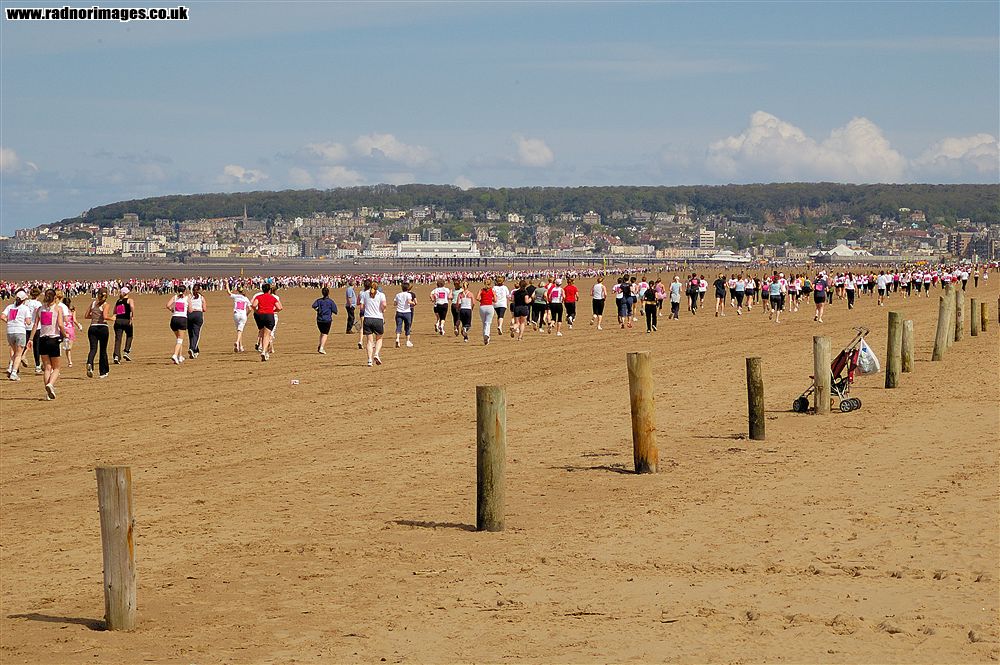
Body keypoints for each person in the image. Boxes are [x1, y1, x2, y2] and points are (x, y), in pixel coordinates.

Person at [29, 288, 66, 400]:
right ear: (55, 297)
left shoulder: (40, 309)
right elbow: (60, 324)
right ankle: (50, 384)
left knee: (47, 367)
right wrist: (65, 335)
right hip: (53, 339)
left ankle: (48, 392)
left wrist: (30, 339)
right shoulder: (58, 308)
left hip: (42, 340)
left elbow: (35, 325)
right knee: (57, 368)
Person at [85, 288, 114, 378]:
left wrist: (94, 317)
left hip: (92, 327)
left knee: (93, 348)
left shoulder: (93, 303)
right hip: (102, 328)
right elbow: (105, 316)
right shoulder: (106, 305)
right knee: (103, 350)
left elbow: (86, 316)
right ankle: (103, 372)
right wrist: (112, 318)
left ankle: (90, 363)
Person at [2, 290, 30, 381]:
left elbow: (2, 316)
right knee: (18, 354)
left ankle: (11, 367)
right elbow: (28, 321)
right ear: (23, 300)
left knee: (15, 352)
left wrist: (9, 321)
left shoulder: (10, 307)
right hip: (20, 331)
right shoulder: (25, 308)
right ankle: (14, 373)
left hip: (10, 331)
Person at [251, 283, 282, 362]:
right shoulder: (272, 297)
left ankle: (262, 349)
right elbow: (280, 307)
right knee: (267, 334)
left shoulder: (259, 297)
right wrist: (273, 310)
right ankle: (264, 351)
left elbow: (253, 305)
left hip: (259, 316)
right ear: (269, 290)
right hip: (269, 315)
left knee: (261, 332)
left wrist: (256, 311)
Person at [359, 280, 387, 366]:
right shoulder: (381, 295)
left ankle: (369, 360)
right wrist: (382, 309)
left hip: (367, 318)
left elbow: (361, 307)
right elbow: (384, 305)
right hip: (378, 318)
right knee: (379, 339)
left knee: (369, 341)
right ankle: (376, 354)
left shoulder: (364, 294)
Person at [167, 286, 191, 364]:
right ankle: (175, 355)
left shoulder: (175, 297)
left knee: (178, 339)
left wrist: (172, 310)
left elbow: (168, 305)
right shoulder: (187, 298)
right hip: (182, 319)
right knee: (180, 340)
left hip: (174, 319)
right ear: (185, 291)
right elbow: (190, 310)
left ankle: (180, 356)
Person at [312, 286, 339, 354]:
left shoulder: (319, 301)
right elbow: (335, 311)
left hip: (319, 320)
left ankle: (320, 345)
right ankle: (321, 348)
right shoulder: (330, 301)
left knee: (322, 333)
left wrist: (318, 310)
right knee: (325, 334)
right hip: (327, 320)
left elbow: (314, 306)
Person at [226, 283, 251, 352]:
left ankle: (240, 346)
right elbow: (250, 308)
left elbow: (228, 292)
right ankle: (237, 342)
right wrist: (247, 314)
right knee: (240, 331)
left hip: (236, 315)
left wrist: (226, 284)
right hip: (243, 315)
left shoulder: (236, 296)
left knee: (239, 331)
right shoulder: (246, 299)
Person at [24, 287, 43, 374]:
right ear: (38, 295)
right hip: (36, 327)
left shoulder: (27, 302)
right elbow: (39, 314)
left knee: (24, 345)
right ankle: (37, 366)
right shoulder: (38, 303)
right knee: (36, 347)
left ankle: (15, 364)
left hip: (26, 326)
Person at [61, 297, 83, 367]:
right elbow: (74, 320)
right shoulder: (72, 310)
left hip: (62, 328)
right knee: (69, 348)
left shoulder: (61, 309)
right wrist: (79, 326)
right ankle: (70, 361)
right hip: (70, 329)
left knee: (62, 346)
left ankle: (64, 360)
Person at [187, 283, 207, 359]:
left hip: (189, 314)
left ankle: (195, 350)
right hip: (198, 315)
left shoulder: (189, 297)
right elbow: (204, 309)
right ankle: (192, 348)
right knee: (196, 334)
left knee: (190, 333)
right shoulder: (202, 298)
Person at [393, 282, 414, 348]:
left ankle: (397, 339)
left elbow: (395, 303)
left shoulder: (398, 295)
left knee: (399, 326)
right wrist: (413, 303)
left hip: (399, 312)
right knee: (407, 327)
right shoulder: (408, 295)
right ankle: (407, 341)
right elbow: (409, 302)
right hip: (407, 312)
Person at [478, 278, 496, 345]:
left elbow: (477, 297)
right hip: (489, 307)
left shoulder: (481, 290)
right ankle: (486, 335)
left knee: (484, 323)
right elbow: (495, 300)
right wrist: (491, 299)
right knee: (488, 323)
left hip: (482, 307)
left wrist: (482, 300)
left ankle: (485, 339)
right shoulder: (492, 290)